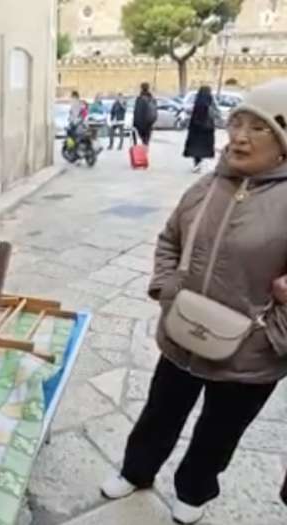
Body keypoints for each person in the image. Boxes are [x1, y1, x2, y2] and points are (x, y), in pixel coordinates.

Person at [100, 78, 287, 524]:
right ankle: (136, 471)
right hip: (184, 333)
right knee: (159, 412)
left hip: (250, 351)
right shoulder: (208, 185)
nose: (239, 136)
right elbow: (170, 239)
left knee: (219, 431)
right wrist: (167, 291)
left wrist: (272, 336)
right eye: (237, 122)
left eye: (257, 128)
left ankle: (195, 491)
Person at [183, 86, 218, 173]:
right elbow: (216, 114)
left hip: (196, 129)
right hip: (207, 130)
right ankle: (198, 164)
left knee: (196, 148)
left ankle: (197, 164)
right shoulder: (210, 102)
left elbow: (195, 117)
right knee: (203, 148)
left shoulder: (198, 103)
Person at [133, 82, 158, 146]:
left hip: (141, 125)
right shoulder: (152, 99)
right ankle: (145, 151)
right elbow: (155, 111)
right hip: (149, 123)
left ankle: (143, 152)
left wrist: (134, 124)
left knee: (143, 140)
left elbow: (136, 112)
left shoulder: (139, 99)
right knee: (146, 141)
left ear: (141, 88)